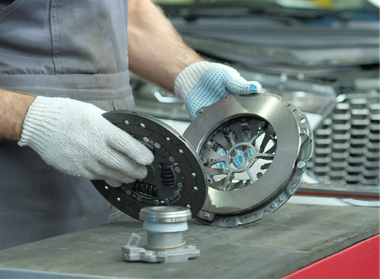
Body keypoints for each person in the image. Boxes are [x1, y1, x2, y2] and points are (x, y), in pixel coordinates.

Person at [0, 0, 261, 250]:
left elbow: (130, 9)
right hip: (17, 183)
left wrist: (187, 71)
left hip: (121, 169)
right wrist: (32, 118)